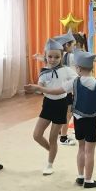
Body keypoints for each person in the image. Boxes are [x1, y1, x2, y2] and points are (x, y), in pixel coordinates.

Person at [26, 49, 96, 187]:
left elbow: (56, 91)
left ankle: (80, 177)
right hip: (91, 121)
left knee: (81, 148)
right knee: (90, 151)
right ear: (92, 68)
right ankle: (88, 180)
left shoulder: (74, 82)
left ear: (78, 68)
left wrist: (39, 89)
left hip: (78, 120)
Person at [24, 38, 76, 175]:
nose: (53, 60)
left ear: (62, 56)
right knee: (36, 135)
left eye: (57, 57)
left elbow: (77, 79)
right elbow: (41, 88)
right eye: (50, 56)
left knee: (53, 137)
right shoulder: (44, 72)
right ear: (45, 56)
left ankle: (50, 164)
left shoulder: (66, 70)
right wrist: (34, 89)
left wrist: (70, 87)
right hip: (47, 105)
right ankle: (52, 150)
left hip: (61, 105)